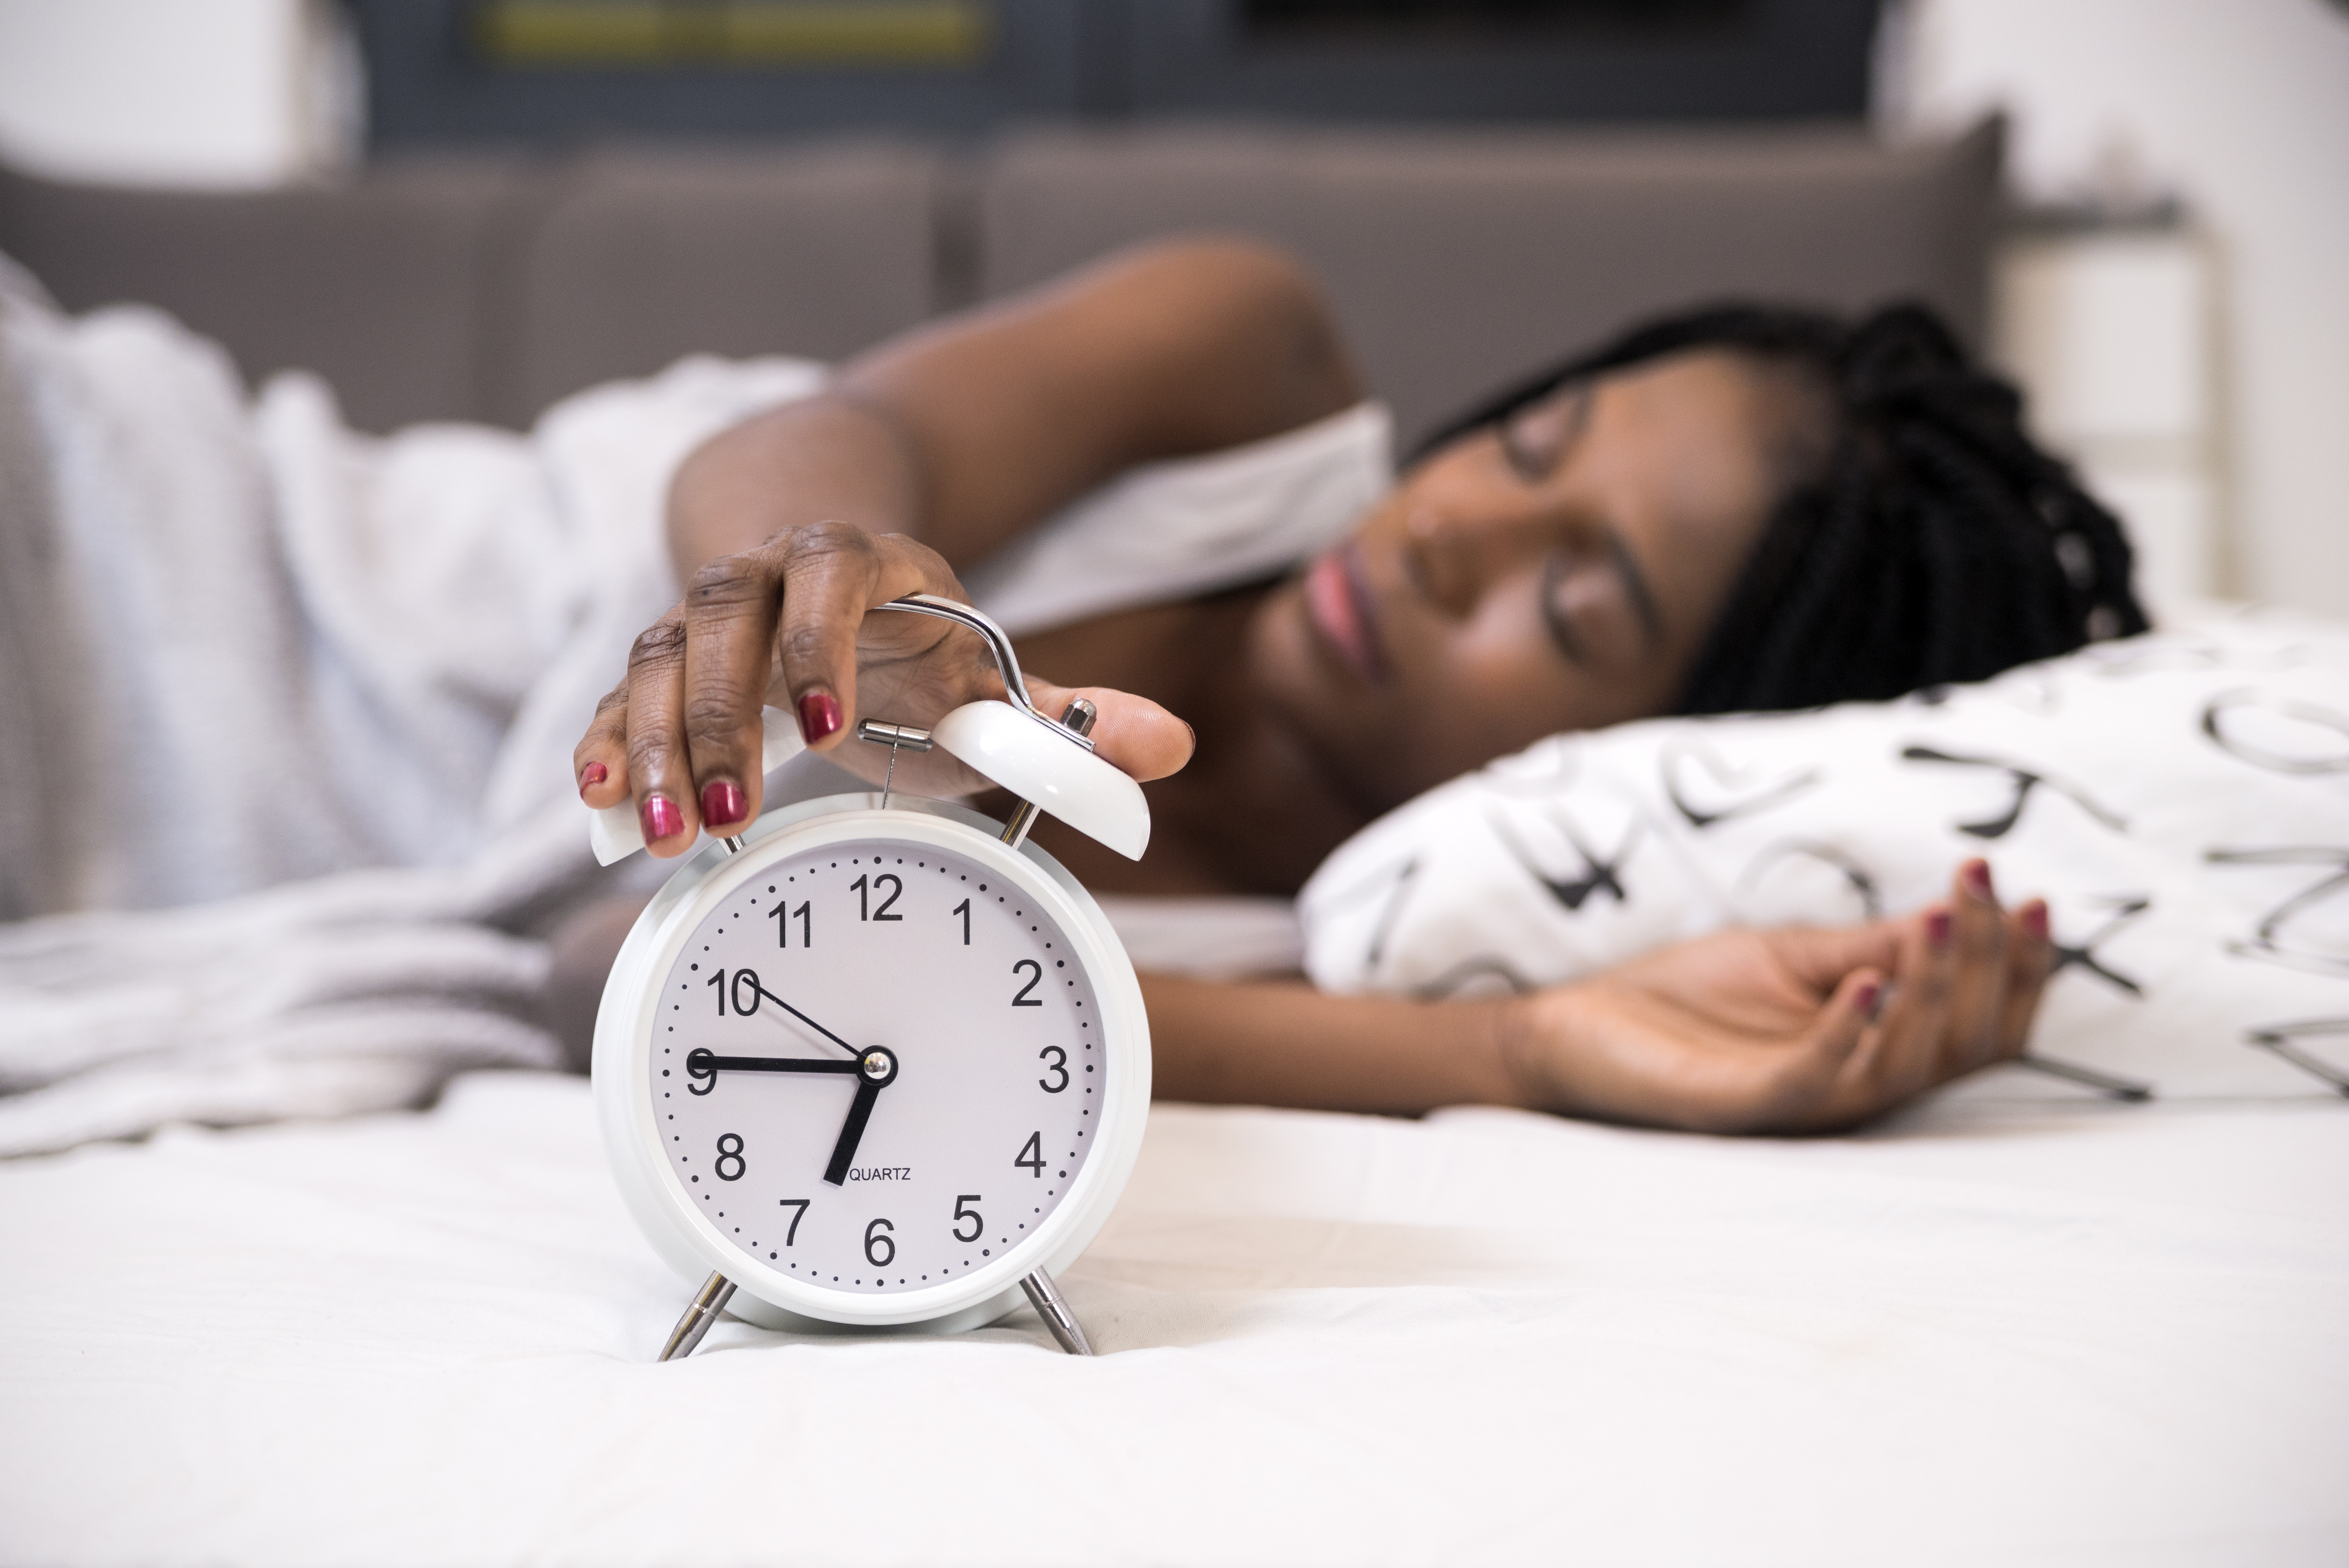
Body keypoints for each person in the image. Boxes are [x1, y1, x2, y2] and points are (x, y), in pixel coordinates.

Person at [571, 239, 2149, 1135]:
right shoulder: (1239, 375)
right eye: (1530, 443)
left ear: (1664, 750)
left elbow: (630, 974)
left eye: (1577, 591)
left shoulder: (1337, 960)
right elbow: (833, 429)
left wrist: (1542, 1051)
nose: (1451, 529)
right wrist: (814, 567)